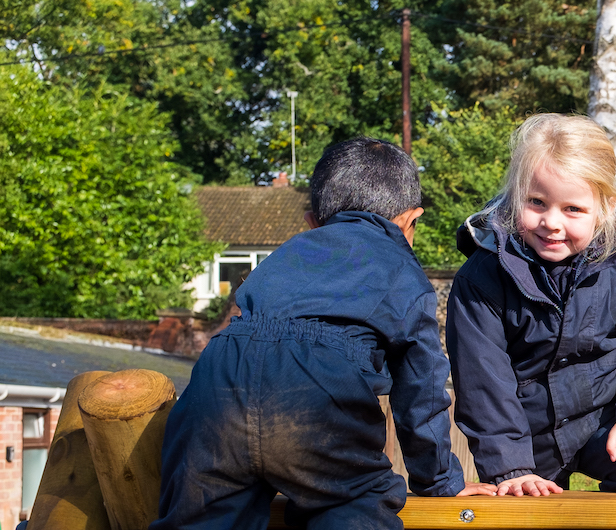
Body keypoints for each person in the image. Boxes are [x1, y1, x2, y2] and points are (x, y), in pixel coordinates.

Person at [153, 138, 494, 530]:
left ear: (313, 220)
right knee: (353, 505)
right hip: (314, 393)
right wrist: (438, 479)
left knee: (203, 518)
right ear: (409, 220)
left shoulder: (282, 256)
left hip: (218, 384)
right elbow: (422, 387)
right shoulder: (401, 270)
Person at [447, 113, 616, 496]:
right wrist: (510, 468)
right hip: (525, 435)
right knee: (524, 506)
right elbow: (482, 382)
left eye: (572, 209)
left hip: (605, 422)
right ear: (516, 197)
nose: (551, 223)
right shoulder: (481, 277)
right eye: (537, 203)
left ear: (605, 207)